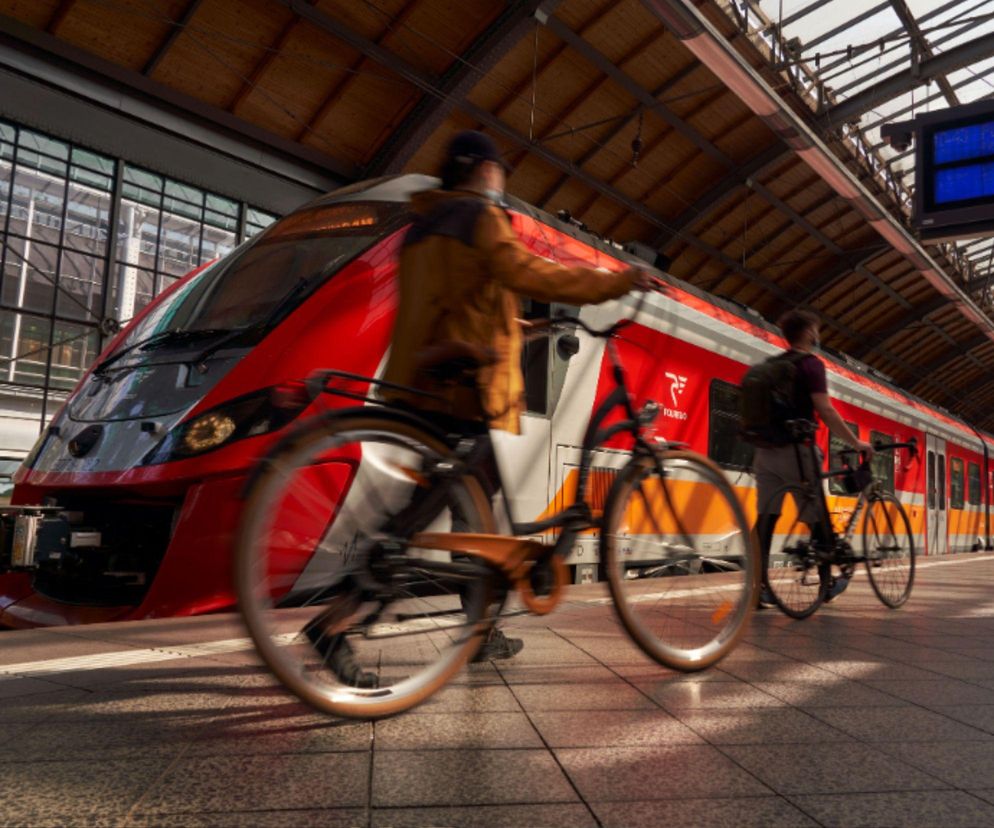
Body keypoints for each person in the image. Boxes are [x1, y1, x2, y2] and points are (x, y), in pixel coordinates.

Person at [311, 130, 649, 685]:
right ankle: (338, 620)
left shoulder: (425, 225)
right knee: (438, 521)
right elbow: (530, 272)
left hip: (423, 380)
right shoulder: (481, 216)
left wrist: (525, 327)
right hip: (466, 389)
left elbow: (455, 300)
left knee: (465, 517)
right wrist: (615, 281)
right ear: (487, 170)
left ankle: (480, 630)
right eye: (501, 171)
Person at [753, 309, 873, 607]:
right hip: (797, 451)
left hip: (765, 454)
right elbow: (825, 410)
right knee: (817, 518)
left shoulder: (771, 365)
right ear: (808, 333)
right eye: (815, 331)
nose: (817, 336)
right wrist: (855, 441)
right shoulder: (810, 365)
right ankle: (826, 583)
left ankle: (756, 589)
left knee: (765, 521)